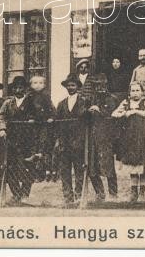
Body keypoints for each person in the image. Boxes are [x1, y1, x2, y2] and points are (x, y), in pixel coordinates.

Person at [0, 76, 36, 205]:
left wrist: (33, 120)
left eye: (20, 87)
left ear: (25, 89)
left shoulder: (31, 102)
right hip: (12, 140)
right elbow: (1, 117)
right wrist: (2, 129)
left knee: (27, 167)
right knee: (10, 167)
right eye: (16, 88)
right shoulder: (8, 103)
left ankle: (25, 194)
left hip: (27, 140)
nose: (18, 90)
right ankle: (16, 194)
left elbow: (39, 115)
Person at [112, 82, 145, 202]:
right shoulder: (126, 102)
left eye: (137, 90)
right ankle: (134, 191)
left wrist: (134, 112)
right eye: (133, 91)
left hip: (143, 136)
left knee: (143, 164)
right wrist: (124, 113)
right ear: (129, 93)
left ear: (142, 92)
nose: (135, 93)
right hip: (130, 137)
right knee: (133, 164)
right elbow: (114, 114)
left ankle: (142, 192)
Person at [55, 75, 89, 207]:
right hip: (65, 142)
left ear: (77, 87)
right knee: (65, 171)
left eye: (73, 85)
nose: (70, 88)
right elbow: (58, 123)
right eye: (68, 85)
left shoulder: (84, 101)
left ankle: (79, 196)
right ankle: (68, 198)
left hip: (79, 141)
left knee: (79, 170)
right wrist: (59, 140)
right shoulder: (61, 104)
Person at [88, 76, 119, 200]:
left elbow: (112, 116)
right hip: (92, 137)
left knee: (108, 166)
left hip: (106, 137)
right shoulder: (91, 99)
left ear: (106, 85)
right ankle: (100, 193)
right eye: (96, 86)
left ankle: (113, 193)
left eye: (101, 85)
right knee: (92, 167)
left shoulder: (112, 99)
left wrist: (99, 110)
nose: (99, 88)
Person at [27, 76, 55, 183]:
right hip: (34, 126)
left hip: (44, 125)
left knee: (44, 146)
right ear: (31, 85)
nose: (38, 85)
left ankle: (48, 171)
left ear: (44, 85)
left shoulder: (46, 96)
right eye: (35, 83)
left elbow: (51, 109)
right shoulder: (29, 97)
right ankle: (36, 173)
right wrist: (30, 117)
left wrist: (51, 117)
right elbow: (28, 110)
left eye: (40, 83)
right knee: (34, 146)